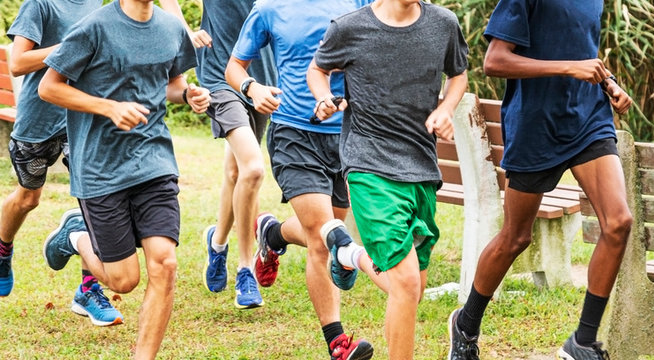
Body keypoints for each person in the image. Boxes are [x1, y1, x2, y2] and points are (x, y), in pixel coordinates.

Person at [445, 0, 634, 359]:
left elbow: (579, 46)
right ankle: (465, 325)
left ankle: (583, 340)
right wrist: (568, 69)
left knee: (619, 222)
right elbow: (494, 61)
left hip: (587, 118)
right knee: (515, 237)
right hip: (536, 125)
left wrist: (606, 80)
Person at [38, 0, 210, 357]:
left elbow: (171, 85)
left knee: (164, 263)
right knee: (123, 281)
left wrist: (189, 94)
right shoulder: (94, 27)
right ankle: (76, 236)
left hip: (154, 162)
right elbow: (49, 87)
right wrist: (109, 106)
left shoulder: (171, 27)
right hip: (100, 168)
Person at [307, 0, 468, 358]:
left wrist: (446, 108)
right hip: (369, 165)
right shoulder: (349, 28)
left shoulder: (443, 24)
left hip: (421, 166)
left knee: (413, 288)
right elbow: (318, 70)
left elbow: (459, 74)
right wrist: (324, 98)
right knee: (407, 281)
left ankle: (350, 254)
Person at [226, 0, 384, 358]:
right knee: (323, 238)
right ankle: (337, 342)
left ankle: (272, 233)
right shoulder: (269, 7)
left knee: (330, 229)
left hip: (347, 134)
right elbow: (234, 66)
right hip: (295, 133)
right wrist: (253, 88)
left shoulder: (359, 2)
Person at [0, 0, 125, 325]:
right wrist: (71, 47)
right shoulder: (40, 5)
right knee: (28, 199)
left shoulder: (99, 6)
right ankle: (2, 249)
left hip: (81, 122)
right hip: (36, 123)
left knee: (95, 199)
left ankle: (87, 289)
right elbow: (17, 63)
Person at [160, 0, 278, 310]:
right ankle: (245, 269)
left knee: (235, 173)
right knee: (252, 169)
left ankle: (217, 242)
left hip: (262, 81)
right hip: (219, 79)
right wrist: (186, 31)